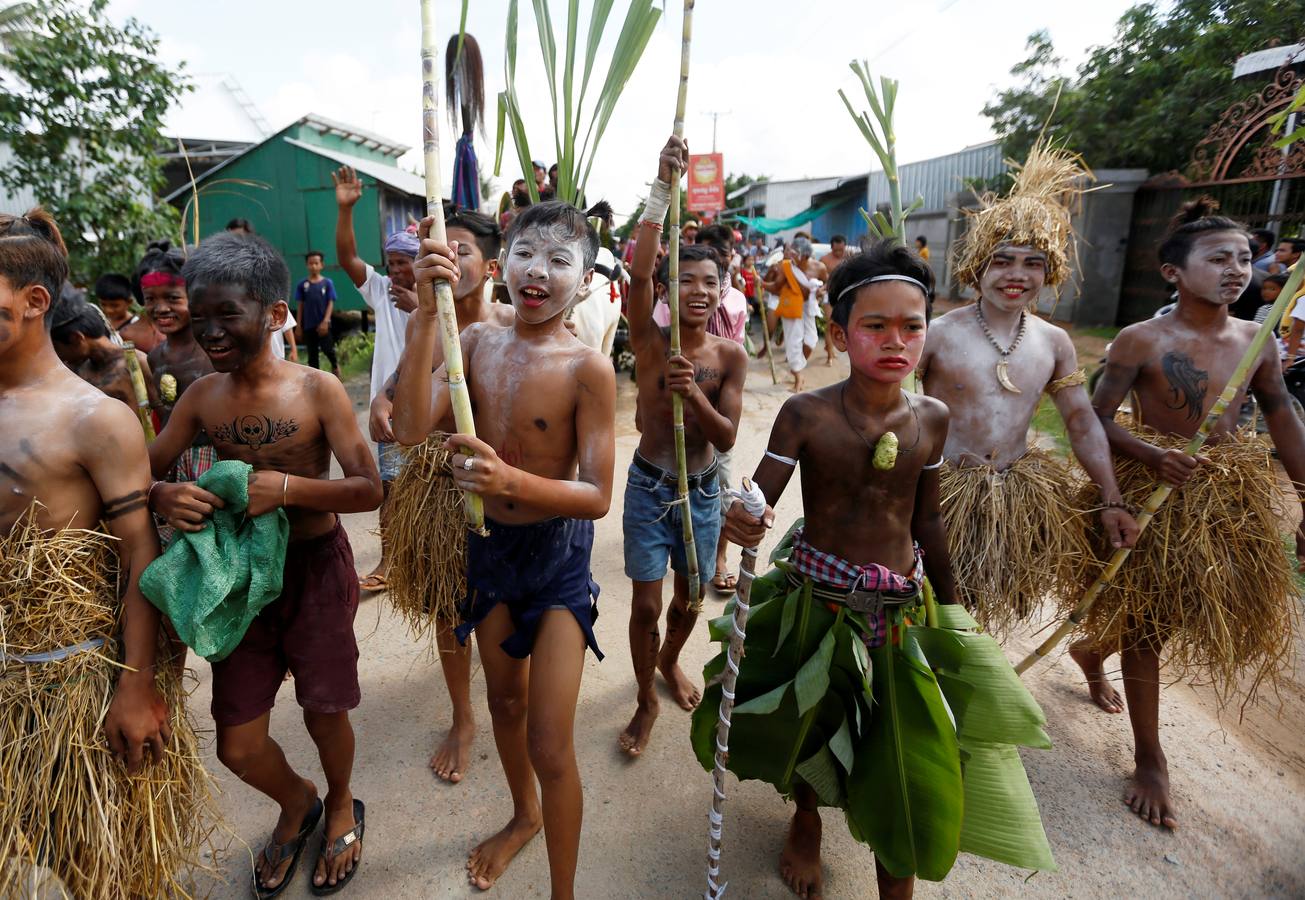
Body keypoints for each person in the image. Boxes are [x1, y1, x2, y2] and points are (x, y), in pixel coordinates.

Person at [693, 239, 1055, 900]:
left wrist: (953, 609)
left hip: (898, 609)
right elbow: (758, 498)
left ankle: (897, 874)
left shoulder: (930, 420)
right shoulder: (806, 414)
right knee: (809, 723)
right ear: (838, 333)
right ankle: (804, 819)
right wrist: (741, 519)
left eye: (911, 326)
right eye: (875, 326)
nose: (896, 341)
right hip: (816, 600)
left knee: (904, 752)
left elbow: (927, 523)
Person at [391, 199, 616, 897]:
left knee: (550, 743)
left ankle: (563, 892)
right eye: (525, 254)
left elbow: (596, 496)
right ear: (499, 267)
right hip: (486, 549)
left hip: (556, 561)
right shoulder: (474, 346)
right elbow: (404, 428)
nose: (537, 272)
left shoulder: (587, 369)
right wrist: (428, 318)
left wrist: (509, 477)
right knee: (505, 707)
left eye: (558, 260)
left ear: (584, 283)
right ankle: (523, 817)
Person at [148, 231, 383, 894]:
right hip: (239, 581)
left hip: (313, 568)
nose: (211, 331)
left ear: (274, 315)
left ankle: (340, 801)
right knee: (238, 743)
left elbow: (369, 489)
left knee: (323, 708)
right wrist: (163, 492)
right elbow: (145, 472)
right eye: (201, 319)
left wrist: (288, 489)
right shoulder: (201, 398)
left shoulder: (317, 390)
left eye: (227, 315)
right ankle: (296, 801)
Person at [1077, 198, 1305, 830]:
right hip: (1154, 496)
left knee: (1175, 613)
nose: (1236, 269)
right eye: (1217, 258)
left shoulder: (1256, 341)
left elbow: (1282, 413)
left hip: (1221, 503)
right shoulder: (1142, 340)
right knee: (1150, 622)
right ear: (1173, 273)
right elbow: (1093, 419)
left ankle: (1094, 652)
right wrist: (1151, 455)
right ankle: (1150, 760)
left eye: (1243, 258)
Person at [0, 208, 209, 897]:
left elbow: (140, 556)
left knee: (99, 867)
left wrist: (136, 684)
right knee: (35, 840)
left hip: (68, 682)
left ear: (35, 302)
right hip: (9, 684)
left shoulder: (92, 419)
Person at [920, 141, 1139, 638]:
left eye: (1032, 263)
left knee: (979, 616)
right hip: (939, 492)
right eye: (1002, 261)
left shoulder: (1054, 342)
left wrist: (1110, 496)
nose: (1016, 275)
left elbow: (1081, 420)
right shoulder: (939, 333)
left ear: (1050, 272)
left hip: (1010, 496)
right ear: (979, 266)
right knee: (929, 603)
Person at [370, 204, 514, 785]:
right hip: (437, 491)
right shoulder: (425, 323)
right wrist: (383, 400)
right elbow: (400, 389)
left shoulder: (515, 325)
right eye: (438, 249)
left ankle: (513, 703)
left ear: (494, 264)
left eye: (460, 251)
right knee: (452, 612)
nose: (446, 260)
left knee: (508, 614)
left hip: (507, 494)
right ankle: (462, 717)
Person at [619, 136, 748, 758]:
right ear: (672, 290)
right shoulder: (648, 338)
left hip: (702, 490)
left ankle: (671, 662)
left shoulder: (729, 357)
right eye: (687, 281)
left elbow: (725, 437)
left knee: (690, 598)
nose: (698, 290)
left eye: (710, 282)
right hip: (649, 485)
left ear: (723, 292)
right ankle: (645, 696)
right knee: (646, 603)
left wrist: (692, 396)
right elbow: (639, 271)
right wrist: (662, 188)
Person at [332, 164, 418, 594]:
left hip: (430, 407)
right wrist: (346, 210)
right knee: (390, 485)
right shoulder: (382, 291)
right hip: (391, 409)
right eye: (393, 263)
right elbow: (347, 258)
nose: (396, 271)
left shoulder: (441, 297)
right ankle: (390, 561)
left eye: (405, 263)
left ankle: (418, 555)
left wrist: (420, 306)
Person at [138, 241, 216, 492]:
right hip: (174, 459)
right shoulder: (156, 356)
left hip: (217, 458)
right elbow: (165, 412)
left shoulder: (213, 349)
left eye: (173, 298)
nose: (161, 308)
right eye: (150, 299)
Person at [49, 294, 162, 412]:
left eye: (56, 347)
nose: (58, 355)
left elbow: (164, 415)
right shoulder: (75, 369)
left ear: (76, 338)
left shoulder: (137, 363)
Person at [763, 237, 821, 392]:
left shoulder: (818, 267)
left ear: (804, 255)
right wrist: (760, 283)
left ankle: (797, 367)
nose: (790, 255)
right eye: (790, 251)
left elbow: (829, 282)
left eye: (794, 253)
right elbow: (776, 287)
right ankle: (798, 377)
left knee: (811, 340)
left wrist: (821, 291)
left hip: (809, 307)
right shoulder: (786, 267)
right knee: (793, 342)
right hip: (791, 307)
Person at [295, 249, 340, 377]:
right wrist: (299, 326)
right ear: (307, 265)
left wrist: (326, 321)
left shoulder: (327, 283)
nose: (313, 266)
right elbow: (300, 306)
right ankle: (316, 378)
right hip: (309, 325)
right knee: (312, 354)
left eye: (316, 263)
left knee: (328, 349)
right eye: (310, 263)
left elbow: (331, 302)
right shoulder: (302, 285)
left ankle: (335, 366)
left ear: (321, 265)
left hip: (323, 325)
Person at [95, 271, 162, 352]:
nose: (108, 310)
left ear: (129, 302)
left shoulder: (136, 325)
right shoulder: (101, 323)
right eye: (103, 304)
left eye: (115, 305)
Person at [819, 234, 849, 364]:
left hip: (845, 295)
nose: (838, 253)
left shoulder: (849, 258)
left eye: (841, 250)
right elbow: (820, 279)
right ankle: (829, 354)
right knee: (831, 322)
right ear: (831, 248)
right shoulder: (824, 260)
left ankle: (830, 347)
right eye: (835, 250)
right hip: (829, 294)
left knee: (843, 324)